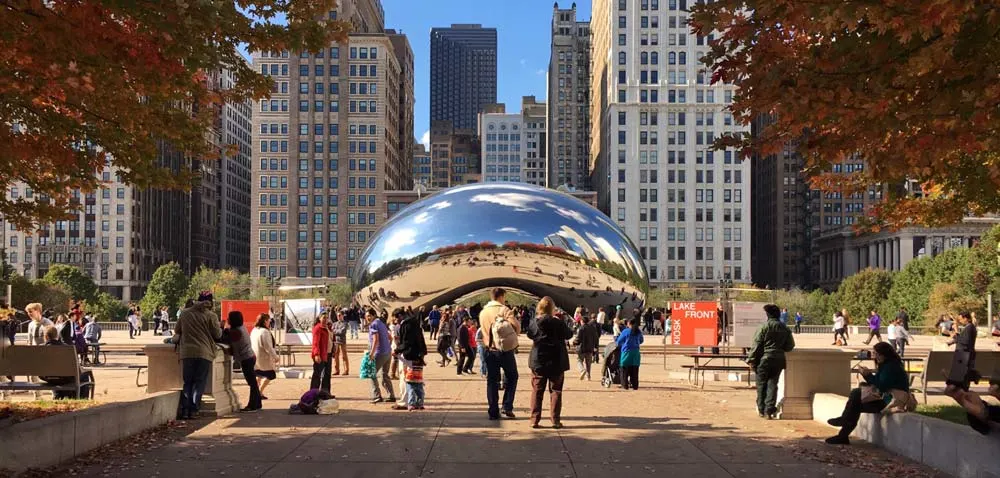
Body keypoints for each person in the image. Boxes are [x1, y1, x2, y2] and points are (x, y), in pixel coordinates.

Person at [825, 342, 910, 445]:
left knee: (856, 396)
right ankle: (843, 432)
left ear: (884, 355)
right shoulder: (887, 365)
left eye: (877, 354)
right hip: (886, 398)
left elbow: (882, 386)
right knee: (855, 403)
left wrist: (868, 375)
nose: (875, 356)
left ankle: (844, 427)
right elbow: (880, 383)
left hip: (890, 401)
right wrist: (868, 376)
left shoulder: (890, 367)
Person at [169, 292, 222, 420]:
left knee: (188, 382)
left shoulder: (185, 313)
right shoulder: (211, 315)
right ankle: (194, 409)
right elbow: (218, 334)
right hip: (204, 352)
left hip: (187, 352)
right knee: (199, 382)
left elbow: (177, 330)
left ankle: (185, 410)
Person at [527, 296, 573, 429]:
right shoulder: (558, 322)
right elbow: (569, 334)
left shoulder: (535, 322)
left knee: (537, 390)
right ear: (552, 308)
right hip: (556, 360)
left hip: (538, 360)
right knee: (556, 390)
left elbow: (530, 335)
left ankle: (534, 419)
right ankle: (555, 420)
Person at [746, 304, 796, 419]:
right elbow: (790, 346)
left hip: (764, 359)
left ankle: (761, 409)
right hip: (778, 360)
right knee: (773, 384)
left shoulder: (763, 327)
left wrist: (751, 360)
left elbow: (757, 344)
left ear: (767, 315)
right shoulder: (785, 328)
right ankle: (769, 410)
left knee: (761, 384)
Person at [480, 287, 521, 420]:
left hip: (488, 350)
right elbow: (517, 327)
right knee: (512, 376)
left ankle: (493, 411)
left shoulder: (483, 312)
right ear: (501, 296)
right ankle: (507, 406)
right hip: (504, 350)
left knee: (492, 380)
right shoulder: (504, 310)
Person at [38, 326, 95, 399]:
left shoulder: (40, 349)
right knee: (84, 375)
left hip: (47, 377)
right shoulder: (67, 348)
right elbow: (76, 367)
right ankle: (81, 398)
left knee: (56, 375)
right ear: (57, 336)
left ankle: (58, 395)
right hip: (65, 378)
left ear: (45, 337)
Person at [226, 312, 262, 412]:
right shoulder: (241, 328)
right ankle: (257, 403)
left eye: (229, 318)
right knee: (253, 382)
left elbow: (227, 340)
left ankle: (252, 405)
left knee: (252, 383)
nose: (227, 320)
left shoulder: (235, 331)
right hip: (250, 356)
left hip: (246, 358)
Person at [395, 307, 428, 411]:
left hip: (409, 355)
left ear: (400, 316)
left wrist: (397, 350)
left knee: (408, 380)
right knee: (418, 381)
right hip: (417, 356)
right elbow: (420, 339)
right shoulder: (415, 323)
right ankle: (419, 402)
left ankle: (408, 402)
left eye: (396, 319)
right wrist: (422, 353)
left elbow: (407, 342)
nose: (397, 321)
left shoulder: (407, 325)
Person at [945, 311, 979, 392]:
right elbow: (963, 339)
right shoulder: (969, 327)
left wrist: (956, 332)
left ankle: (961, 391)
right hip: (964, 355)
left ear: (965, 318)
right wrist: (953, 340)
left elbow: (965, 342)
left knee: (961, 378)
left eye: (961, 319)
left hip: (964, 356)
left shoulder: (970, 327)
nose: (960, 321)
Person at [368, 310, 396, 404]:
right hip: (387, 353)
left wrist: (371, 354)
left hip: (379, 353)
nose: (367, 318)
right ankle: (391, 395)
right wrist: (388, 347)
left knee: (372, 373)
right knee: (384, 375)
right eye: (366, 316)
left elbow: (376, 340)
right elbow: (390, 337)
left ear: (374, 315)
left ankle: (377, 396)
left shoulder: (374, 325)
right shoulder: (381, 323)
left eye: (369, 316)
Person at [250, 313, 279, 400]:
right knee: (270, 375)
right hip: (264, 358)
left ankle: (257, 391)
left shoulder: (254, 330)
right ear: (265, 321)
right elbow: (268, 346)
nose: (269, 321)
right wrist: (275, 357)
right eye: (268, 320)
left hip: (256, 357)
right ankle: (259, 391)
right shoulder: (264, 332)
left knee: (259, 374)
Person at [616, 317, 644, 389]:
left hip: (626, 352)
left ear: (629, 323)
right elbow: (641, 340)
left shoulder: (626, 331)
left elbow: (619, 341)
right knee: (634, 370)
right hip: (636, 353)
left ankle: (624, 385)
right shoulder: (638, 331)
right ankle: (635, 385)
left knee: (624, 369)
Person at [573, 313, 600, 380]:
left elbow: (578, 339)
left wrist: (574, 342)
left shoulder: (581, 328)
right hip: (590, 348)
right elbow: (596, 338)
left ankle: (582, 370)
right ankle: (588, 376)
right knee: (588, 363)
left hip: (581, 348)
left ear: (582, 321)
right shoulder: (593, 328)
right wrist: (596, 347)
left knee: (579, 360)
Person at [309, 315, 331, 393]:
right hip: (320, 354)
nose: (325, 319)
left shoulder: (328, 327)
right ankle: (313, 393)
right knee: (317, 374)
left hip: (328, 353)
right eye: (324, 317)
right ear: (319, 318)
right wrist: (316, 354)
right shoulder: (318, 328)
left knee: (327, 375)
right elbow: (315, 343)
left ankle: (325, 393)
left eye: (327, 317)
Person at [331, 310, 349, 375]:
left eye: (339, 315)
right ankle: (336, 370)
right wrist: (337, 331)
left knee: (344, 356)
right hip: (336, 341)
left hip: (342, 342)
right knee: (335, 356)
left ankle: (346, 370)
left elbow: (342, 331)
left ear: (342, 316)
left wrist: (336, 331)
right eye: (337, 315)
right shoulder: (335, 323)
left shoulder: (345, 323)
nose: (338, 317)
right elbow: (332, 330)